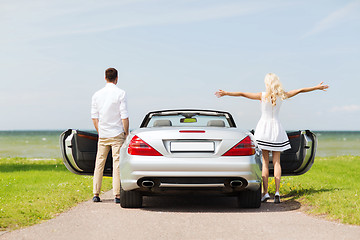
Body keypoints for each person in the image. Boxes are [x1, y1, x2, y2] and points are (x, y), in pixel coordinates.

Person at [215, 73, 328, 203]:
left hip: (263, 129)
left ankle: (266, 193)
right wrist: (316, 87)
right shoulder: (282, 95)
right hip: (277, 129)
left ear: (267, 83)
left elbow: (242, 94)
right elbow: (300, 90)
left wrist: (227, 93)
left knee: (264, 162)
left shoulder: (262, 96)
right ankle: (278, 192)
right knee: (277, 162)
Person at [91, 67, 129, 204]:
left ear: (105, 78)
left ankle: (96, 194)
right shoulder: (121, 93)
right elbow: (124, 116)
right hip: (117, 133)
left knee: (99, 163)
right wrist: (126, 133)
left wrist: (100, 132)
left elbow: (94, 117)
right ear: (117, 78)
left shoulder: (97, 94)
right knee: (117, 164)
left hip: (103, 134)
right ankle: (117, 195)